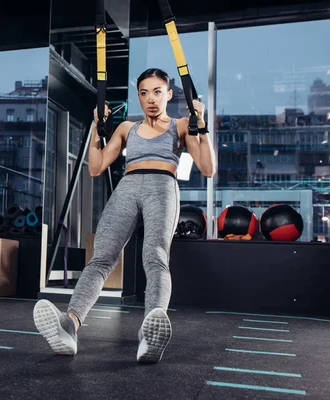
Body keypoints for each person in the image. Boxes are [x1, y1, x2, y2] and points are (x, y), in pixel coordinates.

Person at [32, 68, 216, 363]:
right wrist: (96, 130)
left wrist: (202, 126)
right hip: (127, 188)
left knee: (155, 257)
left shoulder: (181, 125)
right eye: (144, 93)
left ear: (169, 94)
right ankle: (69, 325)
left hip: (162, 186)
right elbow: (96, 167)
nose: (151, 99)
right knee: (101, 258)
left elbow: (207, 168)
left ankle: (149, 337)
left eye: (157, 92)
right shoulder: (126, 129)